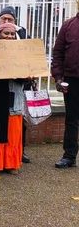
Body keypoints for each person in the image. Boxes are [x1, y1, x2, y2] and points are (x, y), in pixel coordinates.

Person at [0, 5, 31, 164]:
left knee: (13, 130)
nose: (9, 36)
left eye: (12, 33)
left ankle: (11, 162)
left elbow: (28, 68)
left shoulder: (22, 49)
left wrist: (26, 74)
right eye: (5, 33)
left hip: (14, 96)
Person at [51, 9, 79, 169]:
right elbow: (58, 53)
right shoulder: (69, 25)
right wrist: (59, 77)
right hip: (72, 80)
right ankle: (69, 156)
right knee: (72, 119)